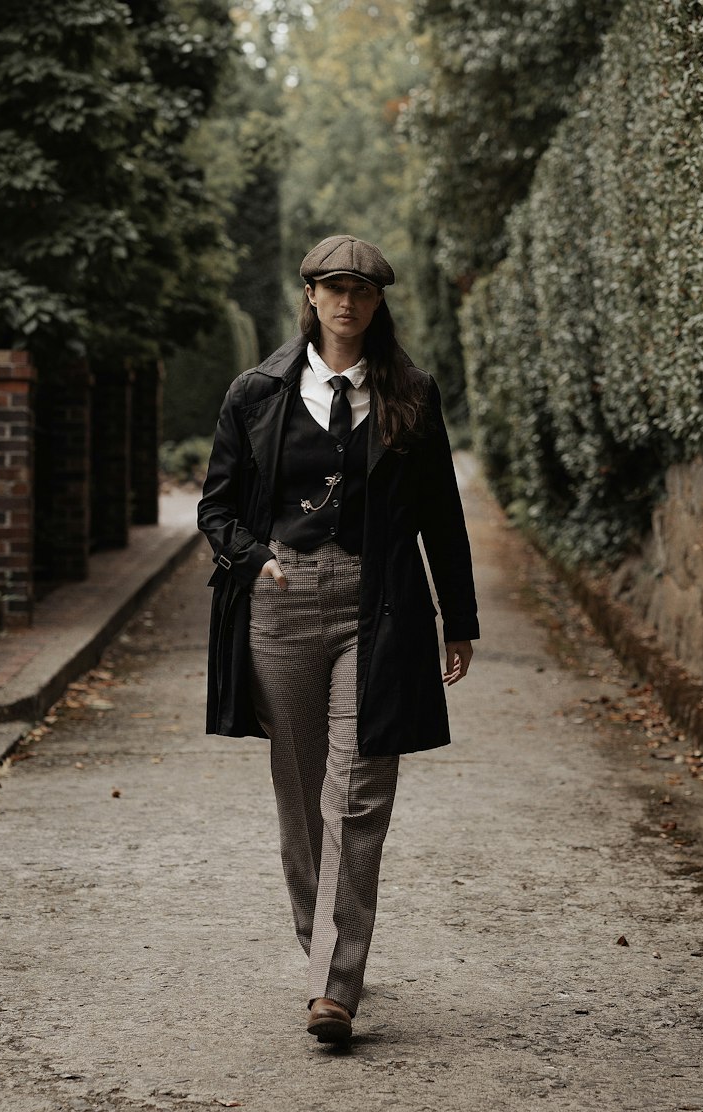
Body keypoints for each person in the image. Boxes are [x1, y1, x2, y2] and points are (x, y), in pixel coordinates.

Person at [198, 234, 479, 1044]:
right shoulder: (256, 392)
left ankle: (333, 985)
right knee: (301, 790)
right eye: (333, 287)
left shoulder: (411, 395)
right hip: (280, 607)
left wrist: (457, 620)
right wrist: (253, 562)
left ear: (378, 300)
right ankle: (322, 945)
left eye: (362, 288)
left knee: (357, 791)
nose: (347, 301)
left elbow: (441, 518)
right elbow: (215, 509)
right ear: (311, 296)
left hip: (377, 604)